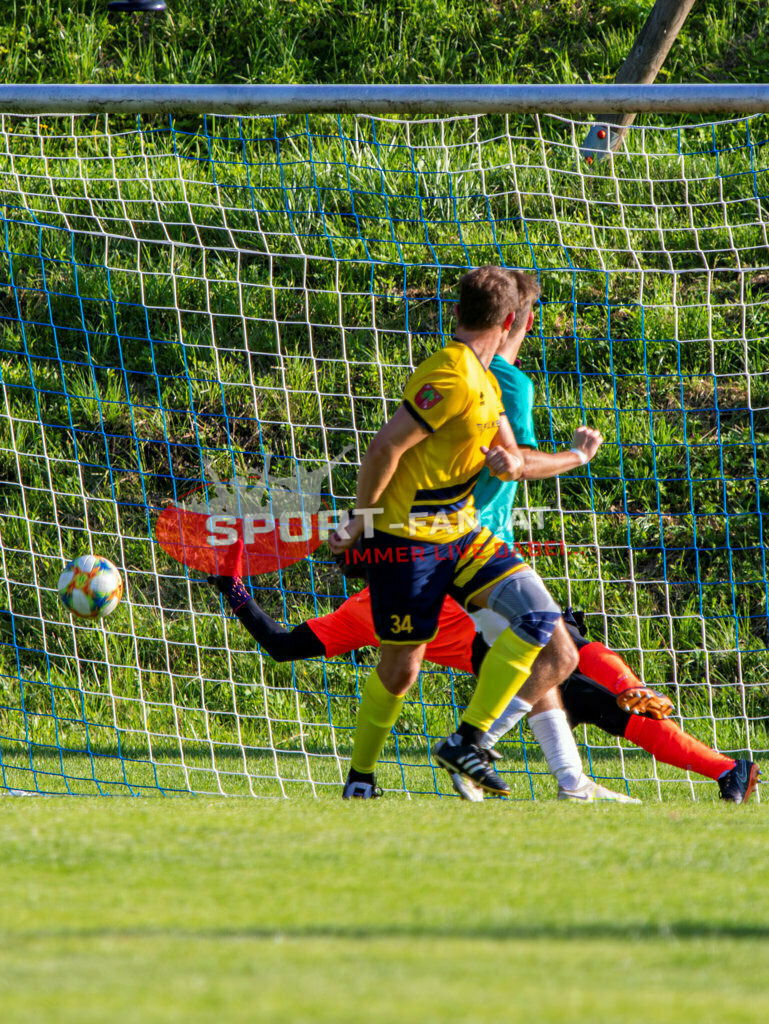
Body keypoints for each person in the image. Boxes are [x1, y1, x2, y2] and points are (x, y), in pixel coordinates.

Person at [454, 283, 760, 804]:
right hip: (480, 544)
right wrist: (578, 456)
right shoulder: (507, 381)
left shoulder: (447, 371)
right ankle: (470, 746)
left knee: (547, 656)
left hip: (438, 540)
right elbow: (521, 464)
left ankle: (570, 779)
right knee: (561, 654)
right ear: (520, 324)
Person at [327, 266, 602, 798]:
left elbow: (515, 463)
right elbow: (385, 447)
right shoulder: (449, 375)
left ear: (456, 314)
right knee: (400, 671)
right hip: (407, 542)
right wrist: (361, 523)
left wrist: (572, 456)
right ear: (508, 319)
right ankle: (360, 778)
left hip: (462, 534)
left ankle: (468, 740)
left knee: (540, 617)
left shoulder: (487, 379)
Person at [207, 572, 758, 803]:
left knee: (616, 692)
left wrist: (235, 592)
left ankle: (725, 768)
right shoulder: (364, 609)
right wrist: (233, 590)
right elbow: (282, 646)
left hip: (539, 640)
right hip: (516, 665)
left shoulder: (432, 567)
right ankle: (722, 768)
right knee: (617, 708)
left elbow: (280, 644)